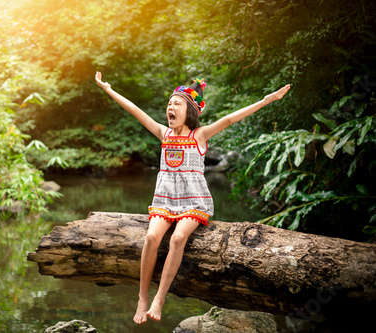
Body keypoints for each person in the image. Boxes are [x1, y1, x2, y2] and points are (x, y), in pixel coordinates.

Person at [95, 71, 290, 324]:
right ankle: (143, 296)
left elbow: (230, 119)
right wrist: (108, 89)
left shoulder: (199, 135)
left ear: (190, 111)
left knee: (177, 238)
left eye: (176, 104)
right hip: (165, 200)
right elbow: (135, 110)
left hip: (193, 202)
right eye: (169, 104)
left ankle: (160, 298)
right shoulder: (164, 134)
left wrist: (265, 101)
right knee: (152, 237)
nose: (170, 107)